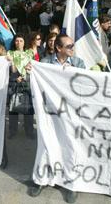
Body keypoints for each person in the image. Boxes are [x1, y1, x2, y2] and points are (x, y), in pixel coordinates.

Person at [27, 35, 81, 203]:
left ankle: (70, 184)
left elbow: (85, 85)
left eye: (72, 45)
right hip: (49, 113)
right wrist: (30, 72)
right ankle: (41, 180)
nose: (72, 48)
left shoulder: (78, 63)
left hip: (71, 114)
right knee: (46, 145)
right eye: (69, 46)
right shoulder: (45, 63)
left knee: (70, 147)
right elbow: (35, 84)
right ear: (58, 48)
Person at [7, 34, 35, 139]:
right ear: (14, 42)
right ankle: (12, 131)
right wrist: (15, 78)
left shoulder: (29, 53)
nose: (19, 43)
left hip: (27, 82)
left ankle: (29, 131)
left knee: (29, 108)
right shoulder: (10, 53)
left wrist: (26, 74)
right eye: (17, 41)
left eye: (21, 41)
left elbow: (33, 66)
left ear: (24, 42)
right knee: (13, 108)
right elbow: (10, 69)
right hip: (14, 82)